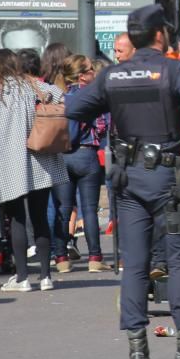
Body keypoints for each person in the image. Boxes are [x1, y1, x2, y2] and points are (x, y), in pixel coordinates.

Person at [66, 4, 180, 359]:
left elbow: (75, 108)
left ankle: (138, 354)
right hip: (166, 177)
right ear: (160, 35)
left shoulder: (111, 76)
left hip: (127, 179)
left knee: (135, 265)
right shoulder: (170, 69)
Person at [0, 50, 67, 292]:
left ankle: (22, 278)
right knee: (41, 216)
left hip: (7, 163)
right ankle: (46, 276)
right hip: (40, 160)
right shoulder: (32, 86)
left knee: (17, 220)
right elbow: (61, 96)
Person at [54, 55, 112, 273]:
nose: (93, 73)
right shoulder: (92, 97)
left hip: (62, 155)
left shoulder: (58, 95)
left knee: (63, 208)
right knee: (89, 209)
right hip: (87, 154)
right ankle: (95, 258)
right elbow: (103, 125)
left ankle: (61, 259)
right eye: (89, 70)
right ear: (81, 75)